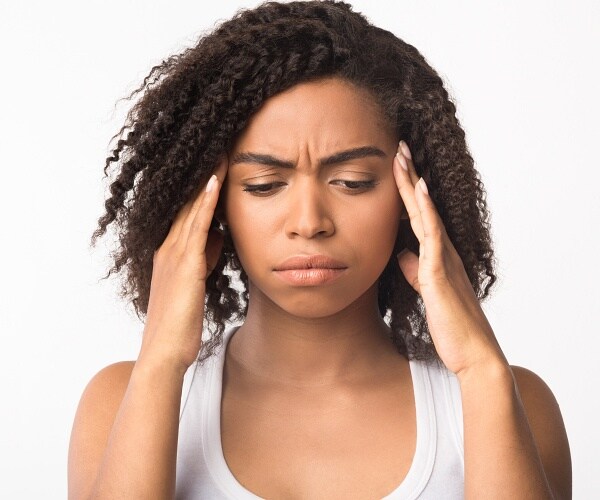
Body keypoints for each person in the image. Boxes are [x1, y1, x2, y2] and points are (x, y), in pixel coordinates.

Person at [67, 1, 572, 498]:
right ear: (214, 203)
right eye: (265, 184)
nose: (309, 223)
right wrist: (160, 361)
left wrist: (482, 371)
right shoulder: (119, 404)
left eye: (352, 182)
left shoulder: (509, 403)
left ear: (408, 194)